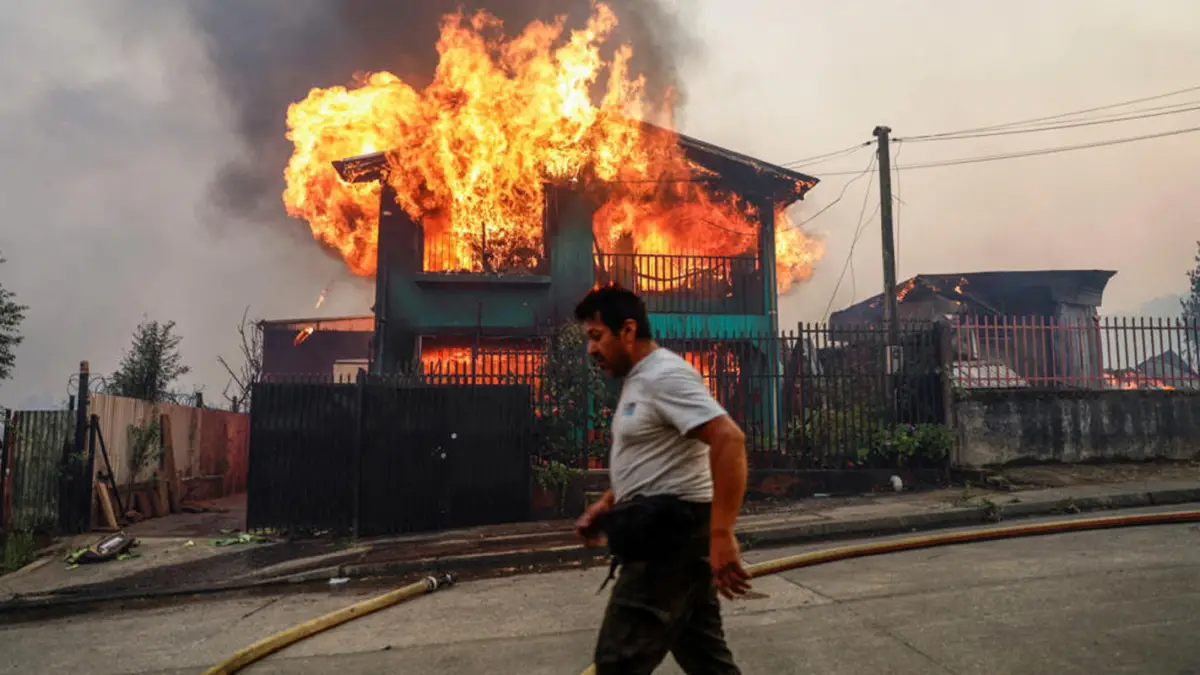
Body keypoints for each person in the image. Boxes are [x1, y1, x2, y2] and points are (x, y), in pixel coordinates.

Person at [573, 284, 750, 675]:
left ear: (629, 331)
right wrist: (607, 503)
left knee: (616, 663)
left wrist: (722, 534)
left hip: (669, 542)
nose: (591, 350)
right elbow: (657, 461)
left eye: (596, 337)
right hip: (674, 535)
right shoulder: (639, 380)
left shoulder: (664, 375)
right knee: (708, 661)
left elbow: (728, 439)